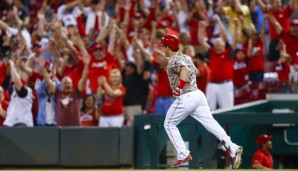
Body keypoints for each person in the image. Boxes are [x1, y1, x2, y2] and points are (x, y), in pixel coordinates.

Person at [160, 34, 243, 168]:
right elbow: (191, 70)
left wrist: (179, 87)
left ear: (167, 46)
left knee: (168, 124)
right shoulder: (186, 57)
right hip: (198, 95)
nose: (162, 48)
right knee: (211, 124)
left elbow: (185, 71)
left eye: (163, 46)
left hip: (186, 96)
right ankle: (232, 147)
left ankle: (182, 153)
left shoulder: (174, 60)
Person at [4, 60, 34, 127]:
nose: (14, 85)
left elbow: (17, 82)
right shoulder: (13, 94)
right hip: (10, 125)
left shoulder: (27, 91)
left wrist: (12, 66)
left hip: (22, 123)